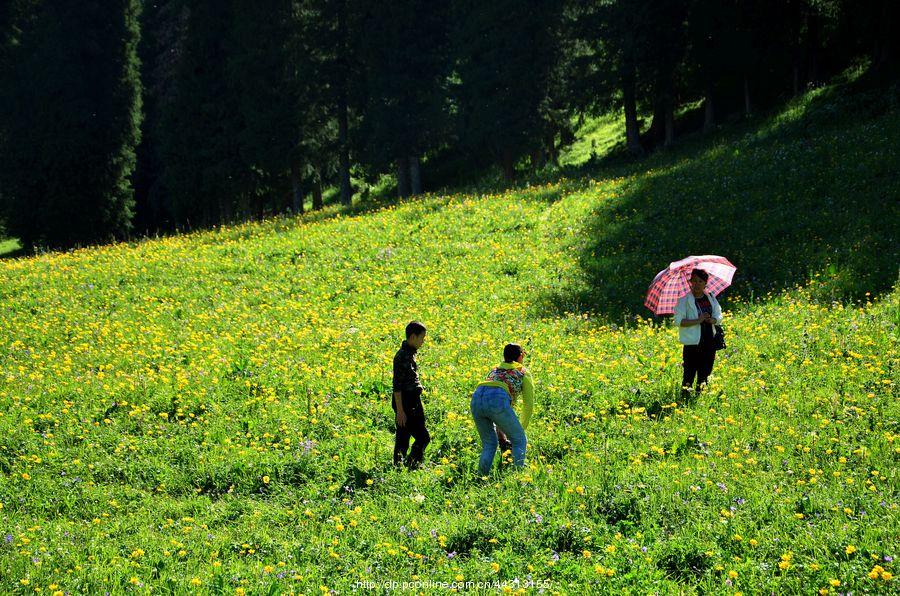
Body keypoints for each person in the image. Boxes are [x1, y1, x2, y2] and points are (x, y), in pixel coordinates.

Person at [470, 343, 534, 475]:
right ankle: (518, 477)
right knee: (519, 440)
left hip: (476, 398)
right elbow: (528, 405)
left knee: (489, 444)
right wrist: (522, 428)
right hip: (497, 400)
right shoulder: (523, 372)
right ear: (521, 356)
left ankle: (481, 477)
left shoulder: (495, 369)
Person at [673, 269, 723, 394]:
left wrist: (713, 320)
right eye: (694, 281)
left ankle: (699, 395)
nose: (697, 284)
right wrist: (698, 320)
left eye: (700, 281)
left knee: (706, 370)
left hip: (709, 339)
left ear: (705, 283)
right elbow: (678, 322)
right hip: (692, 342)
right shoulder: (683, 300)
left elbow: (719, 314)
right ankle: (685, 397)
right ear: (690, 282)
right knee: (689, 371)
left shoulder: (710, 297)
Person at [392, 321, 430, 469]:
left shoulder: (409, 354)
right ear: (413, 337)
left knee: (404, 435)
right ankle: (411, 465)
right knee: (422, 437)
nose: (423, 341)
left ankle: (400, 466)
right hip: (406, 402)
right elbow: (397, 386)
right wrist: (400, 411)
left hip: (412, 400)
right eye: (422, 338)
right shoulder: (402, 356)